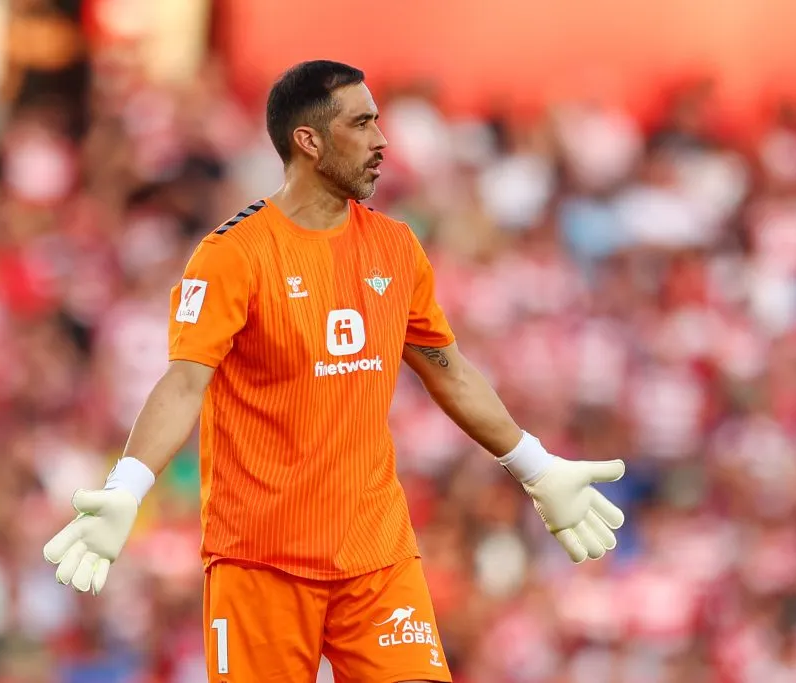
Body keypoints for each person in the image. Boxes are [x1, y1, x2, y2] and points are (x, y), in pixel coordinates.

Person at [43, 60, 627, 683]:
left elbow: (448, 372)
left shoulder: (396, 248)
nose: (382, 141)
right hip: (261, 563)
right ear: (309, 141)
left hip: (375, 558)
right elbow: (185, 381)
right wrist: (128, 487)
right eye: (363, 123)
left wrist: (535, 467)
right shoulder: (232, 255)